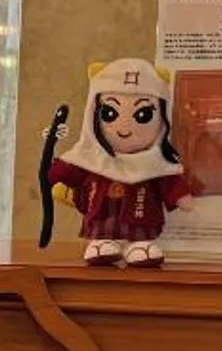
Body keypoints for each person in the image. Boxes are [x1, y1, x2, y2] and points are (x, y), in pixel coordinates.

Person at [41, 58, 196, 266]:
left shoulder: (156, 163)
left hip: (142, 223)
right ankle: (104, 242)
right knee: (101, 240)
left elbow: (170, 184)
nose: (124, 127)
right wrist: (52, 147)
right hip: (101, 219)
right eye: (109, 113)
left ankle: (139, 245)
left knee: (142, 243)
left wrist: (180, 196)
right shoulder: (91, 156)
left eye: (143, 115)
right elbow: (58, 173)